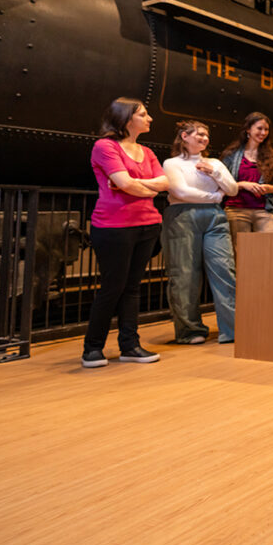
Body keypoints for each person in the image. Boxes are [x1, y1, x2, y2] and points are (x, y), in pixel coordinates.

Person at [81, 98, 169, 368]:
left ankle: (129, 345)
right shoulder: (105, 147)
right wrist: (143, 186)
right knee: (112, 286)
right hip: (113, 226)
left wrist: (135, 185)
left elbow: (164, 183)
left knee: (132, 288)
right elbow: (124, 183)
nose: (150, 118)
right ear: (126, 119)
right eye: (144, 114)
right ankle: (92, 348)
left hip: (148, 224)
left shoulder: (148, 152)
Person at [162, 121, 239, 344]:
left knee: (224, 270)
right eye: (200, 135)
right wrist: (215, 196)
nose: (205, 139)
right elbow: (180, 191)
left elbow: (232, 189)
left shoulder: (214, 162)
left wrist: (215, 172)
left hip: (215, 217)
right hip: (181, 217)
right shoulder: (171, 163)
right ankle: (189, 331)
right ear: (184, 136)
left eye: (206, 136)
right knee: (184, 273)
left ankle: (232, 329)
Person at [221, 112, 273, 244]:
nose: (263, 133)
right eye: (259, 128)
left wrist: (272, 189)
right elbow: (221, 184)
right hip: (236, 211)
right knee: (239, 254)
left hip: (265, 212)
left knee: (269, 253)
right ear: (248, 130)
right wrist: (241, 185)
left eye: (266, 129)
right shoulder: (231, 155)